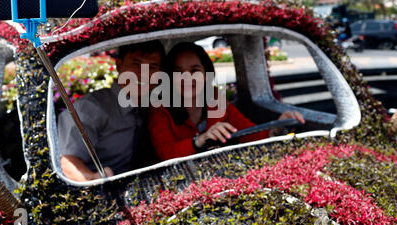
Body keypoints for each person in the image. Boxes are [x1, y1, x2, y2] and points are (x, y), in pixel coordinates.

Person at [148, 42, 305, 161]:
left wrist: (277, 127)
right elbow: (165, 153)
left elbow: (253, 134)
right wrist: (201, 140)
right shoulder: (159, 109)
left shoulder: (217, 102)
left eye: (195, 70)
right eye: (178, 72)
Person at [58, 40, 165, 181]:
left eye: (152, 67)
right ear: (119, 66)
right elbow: (68, 162)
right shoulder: (92, 107)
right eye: (136, 64)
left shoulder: (156, 105)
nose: (144, 74)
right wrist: (94, 180)